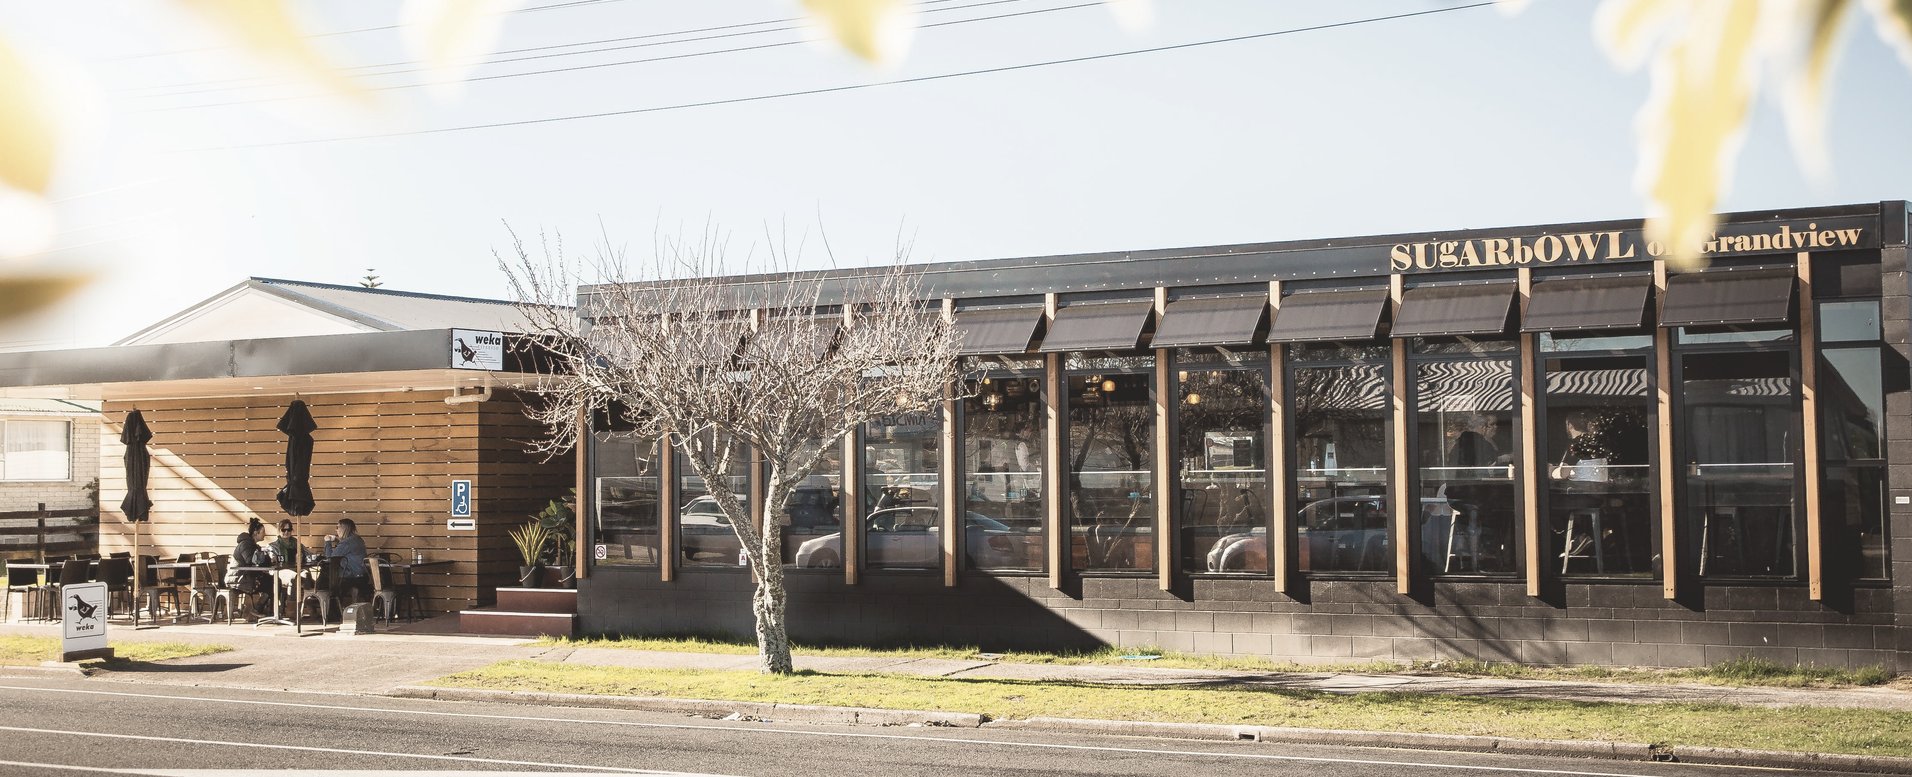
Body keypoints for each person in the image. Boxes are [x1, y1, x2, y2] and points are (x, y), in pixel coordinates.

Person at [226, 518, 272, 617]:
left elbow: (263, 562)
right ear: (256, 533)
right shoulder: (245, 544)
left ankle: (261, 610)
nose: (265, 534)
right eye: (263, 532)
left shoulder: (254, 545)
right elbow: (251, 561)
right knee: (272, 583)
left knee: (274, 582)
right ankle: (257, 609)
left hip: (247, 576)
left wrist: (266, 558)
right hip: (238, 578)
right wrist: (263, 558)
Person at [323, 518, 371, 603]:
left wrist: (327, 542)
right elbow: (346, 551)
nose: (336, 530)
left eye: (337, 527)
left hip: (351, 577)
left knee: (325, 576)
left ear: (344, 528)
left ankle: (328, 604)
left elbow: (330, 558)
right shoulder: (358, 539)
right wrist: (337, 540)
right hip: (363, 576)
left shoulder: (347, 542)